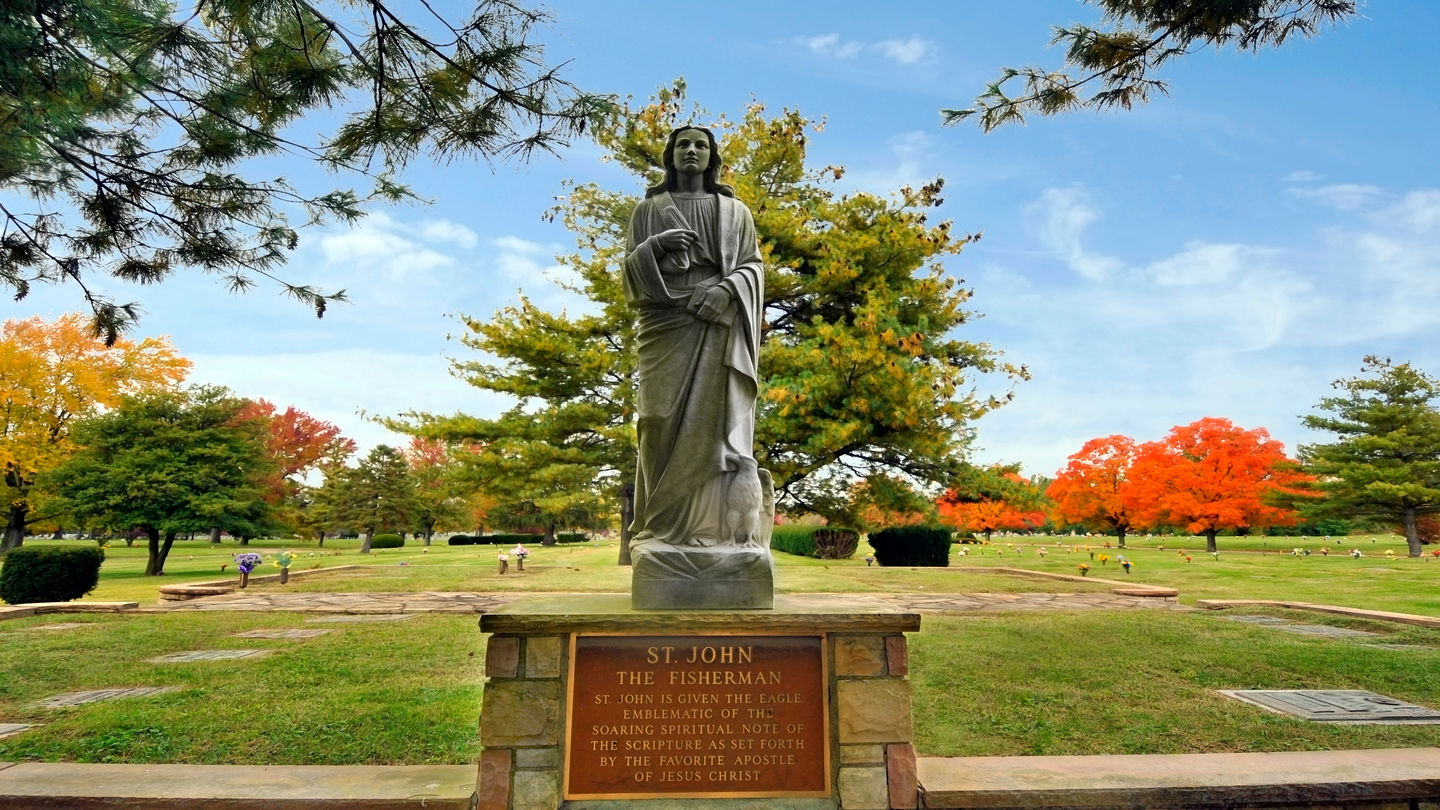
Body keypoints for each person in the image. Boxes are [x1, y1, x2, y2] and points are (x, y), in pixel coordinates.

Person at [622, 126, 767, 554]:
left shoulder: (735, 212)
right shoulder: (647, 211)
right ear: (670, 155)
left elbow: (753, 268)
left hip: (716, 324)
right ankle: (659, 527)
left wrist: (725, 290)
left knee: (713, 425)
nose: (691, 151)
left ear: (712, 157)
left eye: (700, 145)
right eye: (683, 144)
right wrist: (656, 246)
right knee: (655, 420)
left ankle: (710, 532)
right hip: (664, 323)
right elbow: (629, 276)